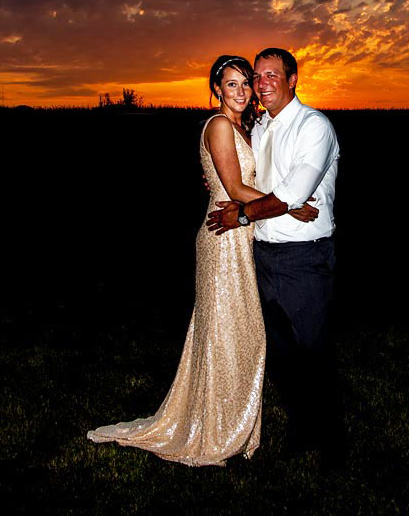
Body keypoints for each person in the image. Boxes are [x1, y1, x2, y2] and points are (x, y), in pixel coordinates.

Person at [87, 55, 317, 466]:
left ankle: (236, 426)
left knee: (244, 333)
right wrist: (289, 206)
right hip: (224, 239)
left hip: (244, 234)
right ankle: (213, 432)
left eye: (246, 83)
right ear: (216, 91)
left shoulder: (246, 128)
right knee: (224, 333)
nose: (242, 91)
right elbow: (232, 186)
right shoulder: (219, 125)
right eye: (231, 84)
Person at [207, 47, 343, 465]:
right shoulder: (260, 125)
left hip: (304, 256)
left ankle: (331, 441)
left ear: (293, 79)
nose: (260, 84)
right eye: (256, 76)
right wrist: (266, 209)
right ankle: (302, 431)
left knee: (312, 350)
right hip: (262, 255)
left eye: (270, 75)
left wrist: (244, 213)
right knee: (282, 356)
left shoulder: (313, 126)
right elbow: (260, 185)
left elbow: (290, 193)